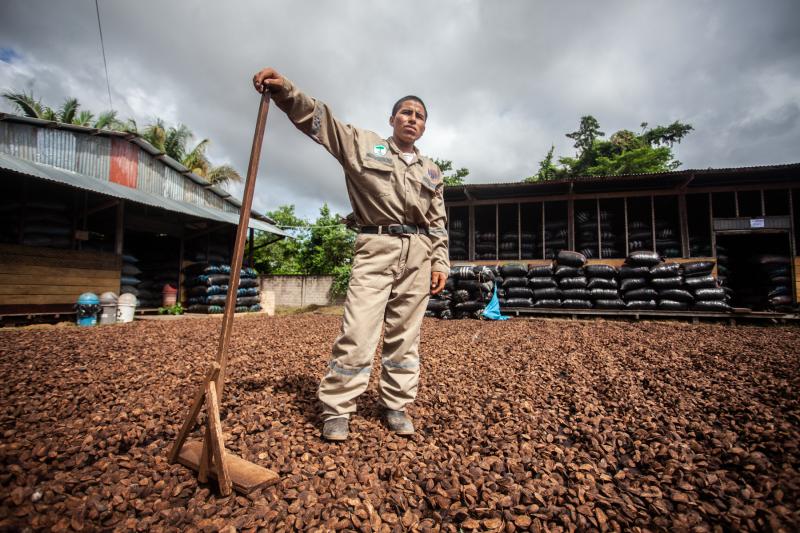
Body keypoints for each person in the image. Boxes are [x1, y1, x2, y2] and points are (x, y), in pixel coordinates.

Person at [252, 68, 449, 441]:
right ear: (392, 120)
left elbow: (438, 221)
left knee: (406, 337)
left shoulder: (433, 172)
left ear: (424, 128)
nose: (413, 119)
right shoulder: (364, 144)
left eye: (420, 116)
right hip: (376, 248)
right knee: (358, 331)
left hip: (420, 255)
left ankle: (395, 404)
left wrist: (440, 261)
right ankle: (338, 408)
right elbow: (320, 120)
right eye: (406, 113)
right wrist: (285, 93)